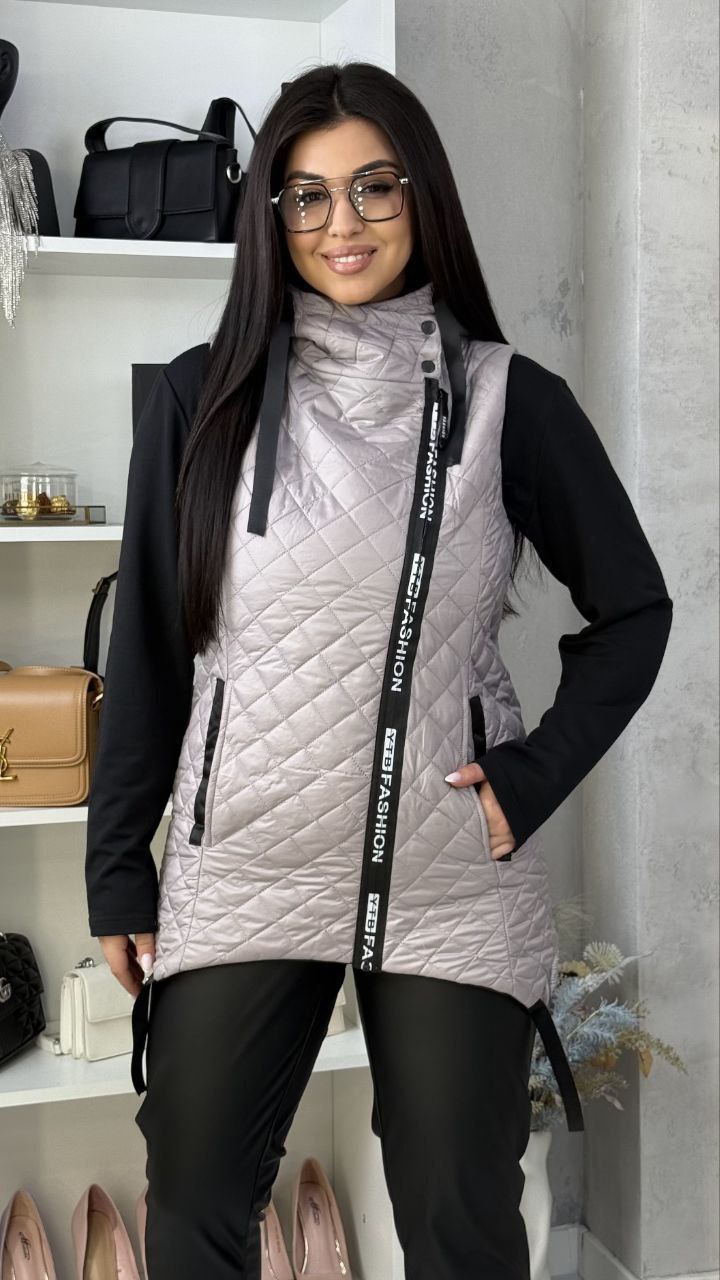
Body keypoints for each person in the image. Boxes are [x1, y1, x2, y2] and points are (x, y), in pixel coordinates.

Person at [84, 61, 673, 1280]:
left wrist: (530, 776)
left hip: (450, 875)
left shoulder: (511, 402)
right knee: (193, 1200)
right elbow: (144, 644)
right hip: (246, 857)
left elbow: (635, 611)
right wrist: (117, 868)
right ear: (273, 215)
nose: (341, 223)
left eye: (373, 187)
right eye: (307, 195)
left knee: (460, 1219)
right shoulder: (202, 395)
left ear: (422, 195)